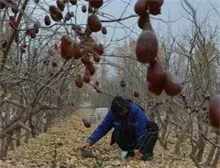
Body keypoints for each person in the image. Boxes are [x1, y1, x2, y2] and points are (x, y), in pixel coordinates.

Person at [80, 96, 159, 161]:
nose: (122, 113)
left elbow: (141, 131)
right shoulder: (112, 114)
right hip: (128, 138)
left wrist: (141, 150)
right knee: (116, 133)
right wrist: (90, 141)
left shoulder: (136, 111)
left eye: (124, 110)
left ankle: (147, 153)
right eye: (119, 112)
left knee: (153, 126)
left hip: (139, 138)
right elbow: (103, 127)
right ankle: (129, 152)